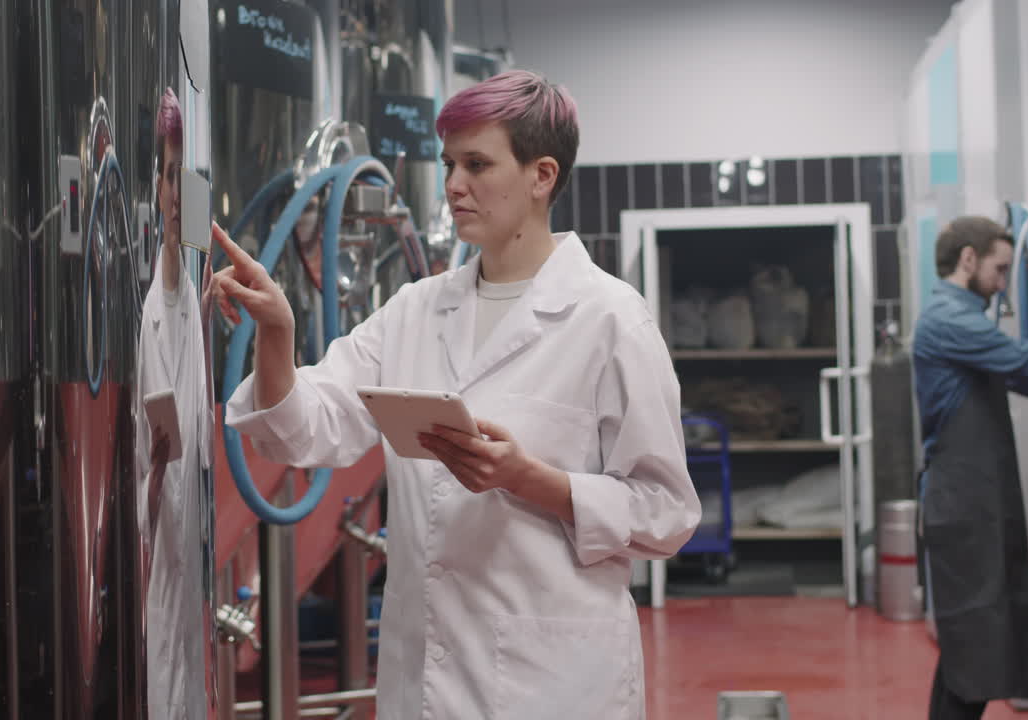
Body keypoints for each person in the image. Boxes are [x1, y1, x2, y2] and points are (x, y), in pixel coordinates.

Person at [210, 70, 700, 719]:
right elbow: (303, 431)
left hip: (553, 685)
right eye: (448, 165)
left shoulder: (610, 320)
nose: (453, 186)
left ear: (542, 175)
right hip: (424, 678)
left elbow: (666, 513)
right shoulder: (414, 310)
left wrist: (530, 479)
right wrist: (277, 335)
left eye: (477, 164)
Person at [912, 215, 1028, 720]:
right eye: (1001, 269)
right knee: (976, 651)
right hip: (964, 506)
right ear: (969, 259)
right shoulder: (948, 319)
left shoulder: (964, 318)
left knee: (969, 651)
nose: (1003, 282)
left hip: (975, 502)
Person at [133, 86, 215, 720]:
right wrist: (154, 477)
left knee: (186, 668)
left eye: (182, 176)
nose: (175, 192)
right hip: (152, 553)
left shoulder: (189, 295)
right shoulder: (149, 306)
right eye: (167, 175)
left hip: (189, 551)